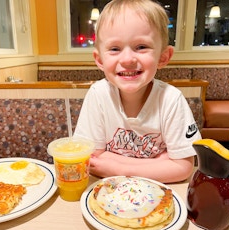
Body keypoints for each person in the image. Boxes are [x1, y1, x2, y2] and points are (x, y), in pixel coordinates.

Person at [73, 0, 201, 183]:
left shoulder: (171, 99)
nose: (127, 59)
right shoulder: (98, 94)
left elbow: (183, 168)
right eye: (115, 49)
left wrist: (114, 166)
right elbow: (91, 160)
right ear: (99, 59)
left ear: (163, 57)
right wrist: (159, 163)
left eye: (141, 47)